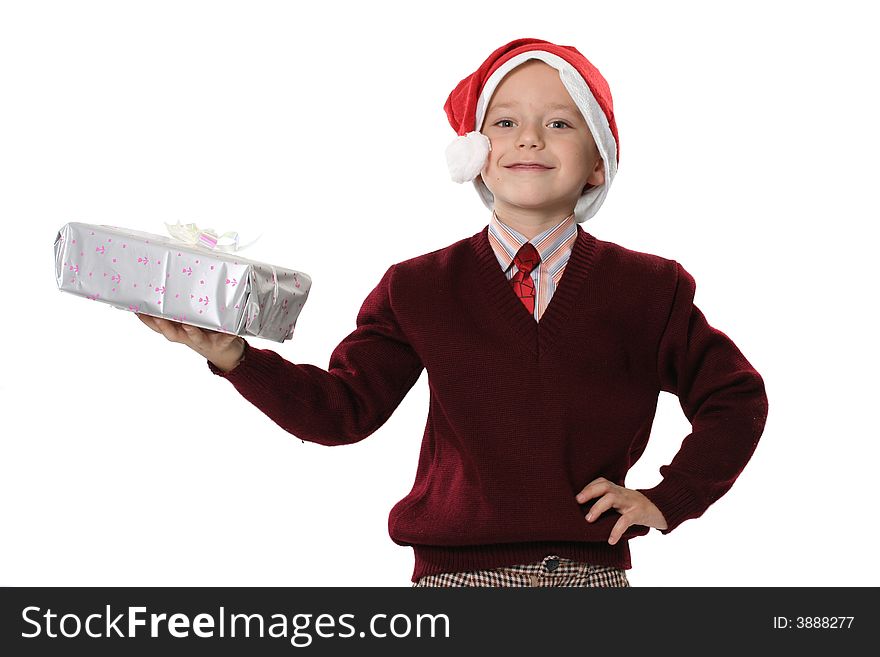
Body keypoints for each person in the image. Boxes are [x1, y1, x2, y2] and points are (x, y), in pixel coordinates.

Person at [136, 37, 769, 587]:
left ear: (597, 162)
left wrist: (669, 498)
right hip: (453, 581)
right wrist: (235, 359)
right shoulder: (418, 287)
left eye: (559, 124)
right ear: (476, 152)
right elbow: (343, 411)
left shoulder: (649, 288)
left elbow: (735, 398)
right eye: (504, 123)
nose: (528, 138)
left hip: (588, 577)